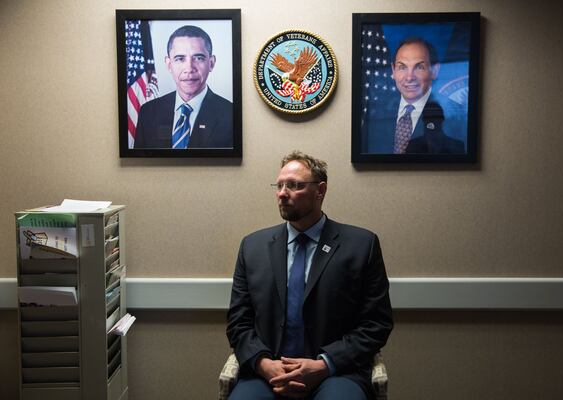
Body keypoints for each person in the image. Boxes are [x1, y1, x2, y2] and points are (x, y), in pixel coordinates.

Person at [227, 151, 393, 400]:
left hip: (336, 372)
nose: (282, 193)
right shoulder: (253, 247)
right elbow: (238, 322)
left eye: (294, 185)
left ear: (320, 190)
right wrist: (264, 364)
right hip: (268, 369)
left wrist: (325, 364)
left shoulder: (361, 245)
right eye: (280, 185)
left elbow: (376, 324)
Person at [134, 25, 233, 149]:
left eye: (198, 58)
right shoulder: (148, 112)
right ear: (169, 65)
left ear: (211, 63)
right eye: (180, 59)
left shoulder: (231, 115)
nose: (189, 69)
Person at [365, 37, 465, 154]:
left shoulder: (456, 116)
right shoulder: (374, 115)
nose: (409, 77)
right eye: (402, 67)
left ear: (434, 71)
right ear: (393, 70)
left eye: (419, 67)